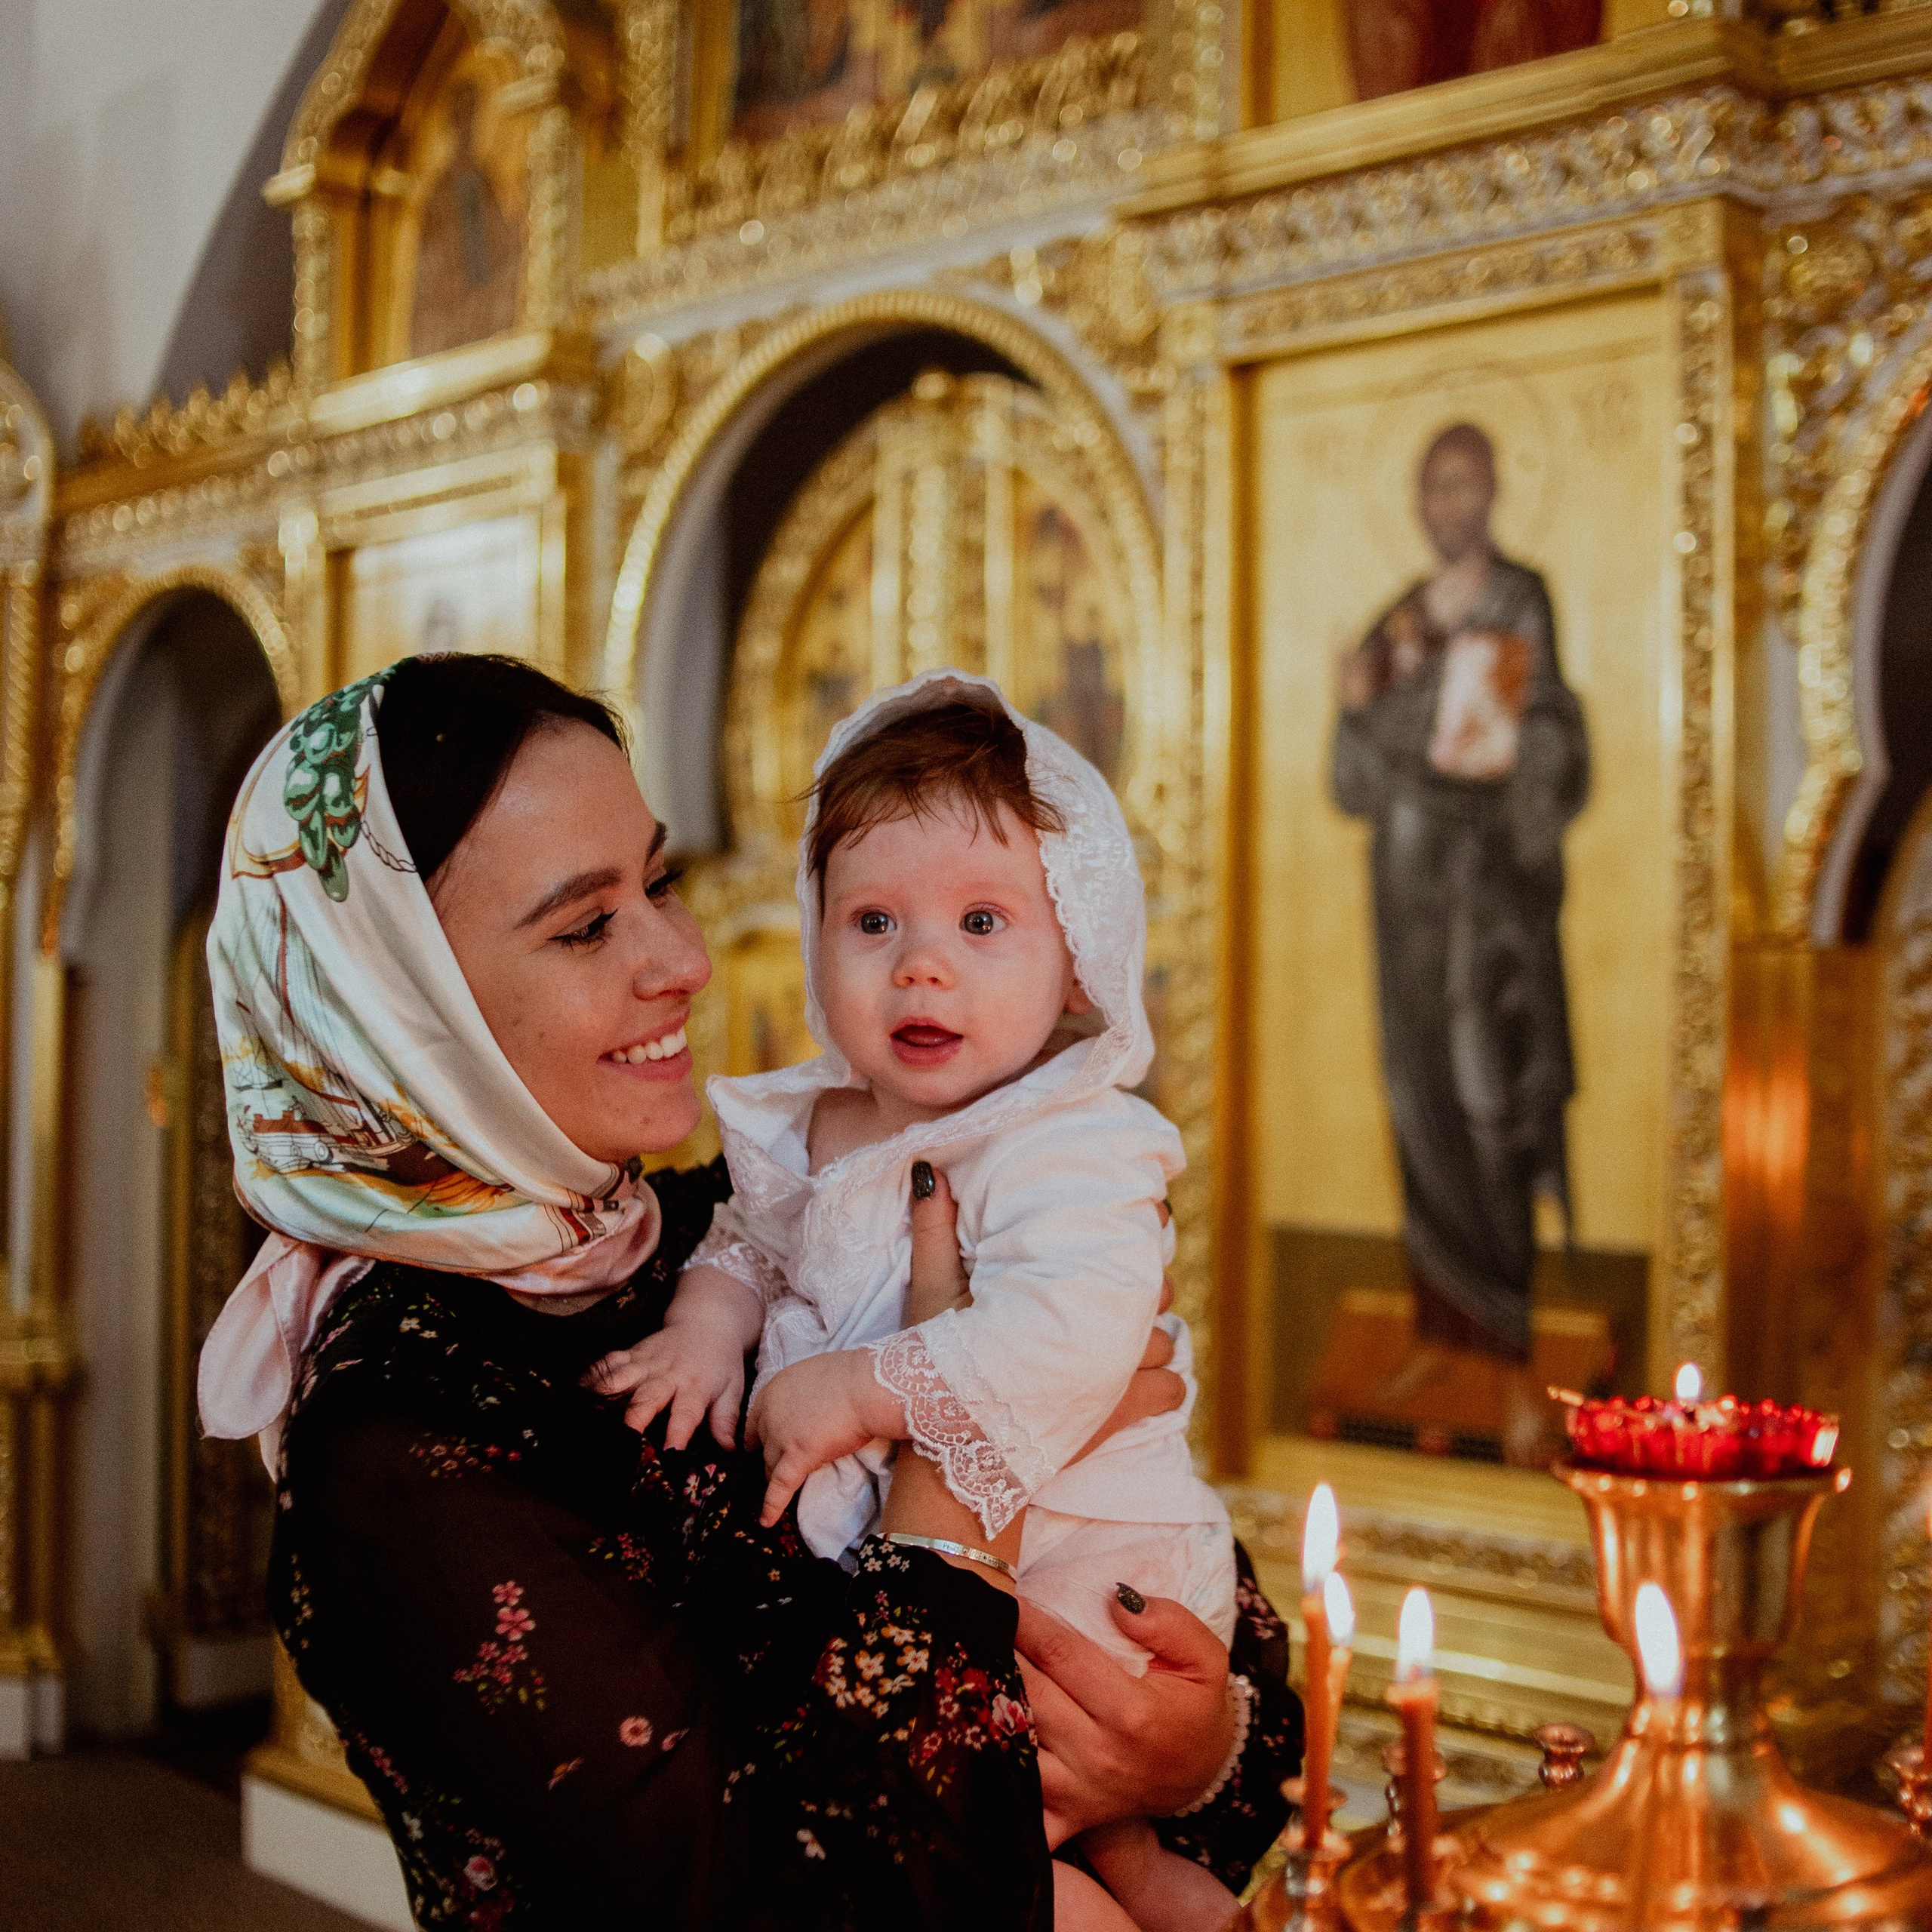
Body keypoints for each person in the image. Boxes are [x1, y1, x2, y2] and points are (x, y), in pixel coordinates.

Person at [195, 654, 1301, 1928]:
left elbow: (1207, 1594)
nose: (685, 960)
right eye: (586, 924)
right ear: (399, 1013)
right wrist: (950, 1481)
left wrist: (1183, 1746)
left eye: (658, 880)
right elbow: (762, 1897)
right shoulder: (402, 1449)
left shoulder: (739, 1219)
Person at [595, 673, 1271, 1929]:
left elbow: (1070, 1340)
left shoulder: (1074, 1143)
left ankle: (1126, 1873)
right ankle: (1131, 1871)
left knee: (1027, 1844)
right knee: (1017, 1860)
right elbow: (747, 1242)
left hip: (1090, 1569)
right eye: (872, 924)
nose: (920, 968)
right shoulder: (820, 1122)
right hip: (931, 1606)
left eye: (981, 922)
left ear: (1077, 954)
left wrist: (857, 1390)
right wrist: (703, 1326)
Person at [1332, 422, 1589, 1466]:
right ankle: (1447, 1340)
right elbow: (1351, 779)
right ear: (1419, 501)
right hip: (1406, 893)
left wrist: (1507, 745)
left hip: (1489, 904)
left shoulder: (1519, 599)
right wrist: (1360, 712)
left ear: (1490, 494)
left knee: (1491, 1104)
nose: (1451, 503)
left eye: (1466, 484)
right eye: (1434, 485)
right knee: (1419, 1096)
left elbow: (1559, 742)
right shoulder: (1394, 621)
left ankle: (1519, 1357)